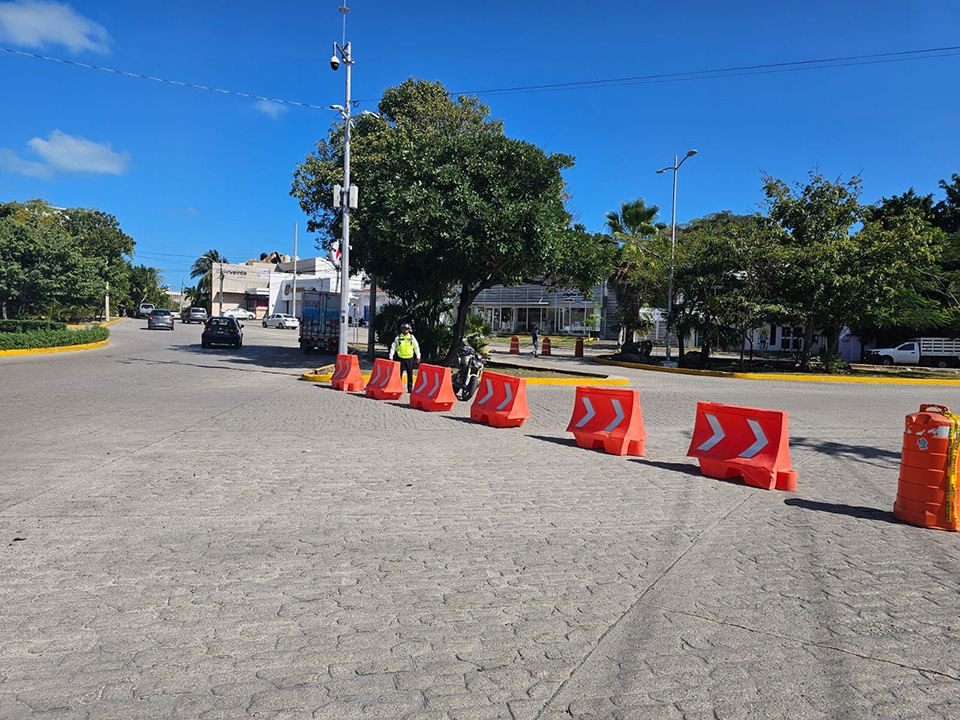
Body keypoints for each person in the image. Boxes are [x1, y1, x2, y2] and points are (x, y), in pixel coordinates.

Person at [389, 322, 421, 393]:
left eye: (407, 329)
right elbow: (393, 347)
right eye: (404, 329)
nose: (405, 330)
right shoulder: (398, 338)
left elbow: (416, 347)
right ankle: (398, 388)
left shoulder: (411, 337)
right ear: (401, 329)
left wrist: (418, 356)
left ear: (409, 329)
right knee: (399, 374)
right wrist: (391, 356)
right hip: (400, 358)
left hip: (409, 358)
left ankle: (410, 389)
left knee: (410, 374)